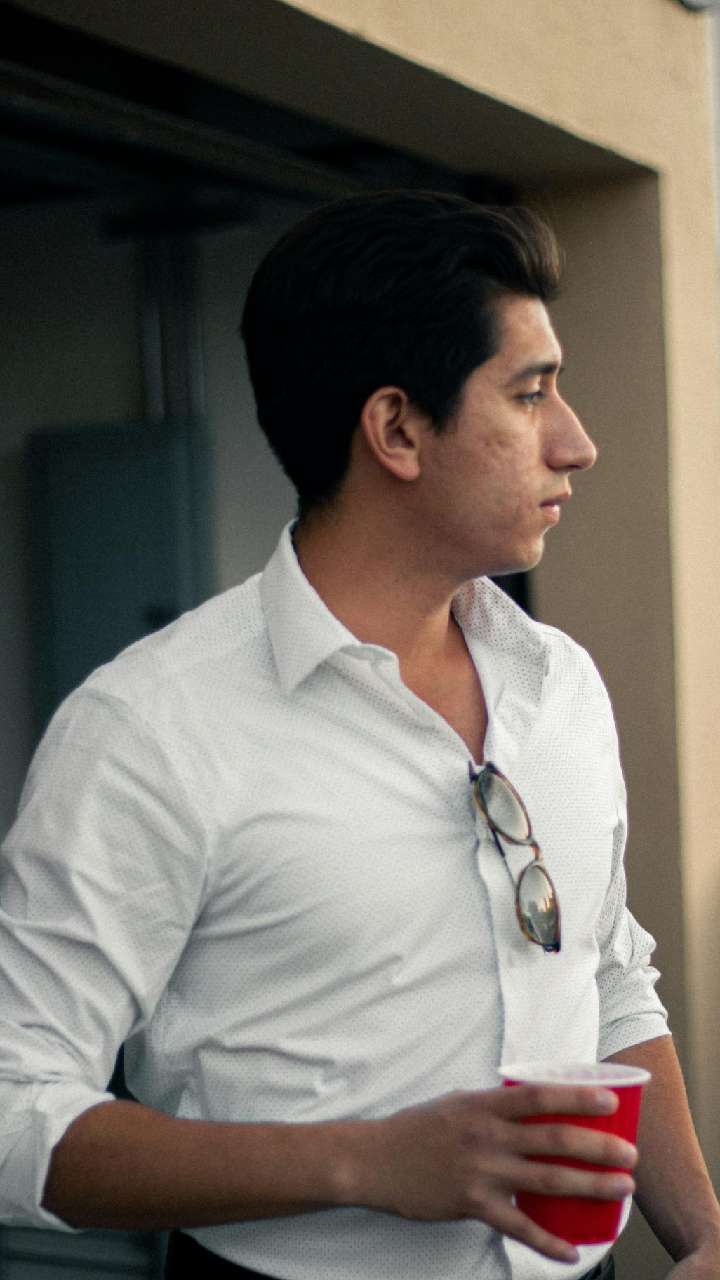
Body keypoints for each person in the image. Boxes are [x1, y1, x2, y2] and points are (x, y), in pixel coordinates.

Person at [0, 190, 717, 1280]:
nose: (577, 443)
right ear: (396, 430)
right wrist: (364, 1160)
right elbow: (15, 1111)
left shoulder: (560, 682)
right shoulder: (150, 727)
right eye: (530, 394)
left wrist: (705, 1231)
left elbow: (608, 973)